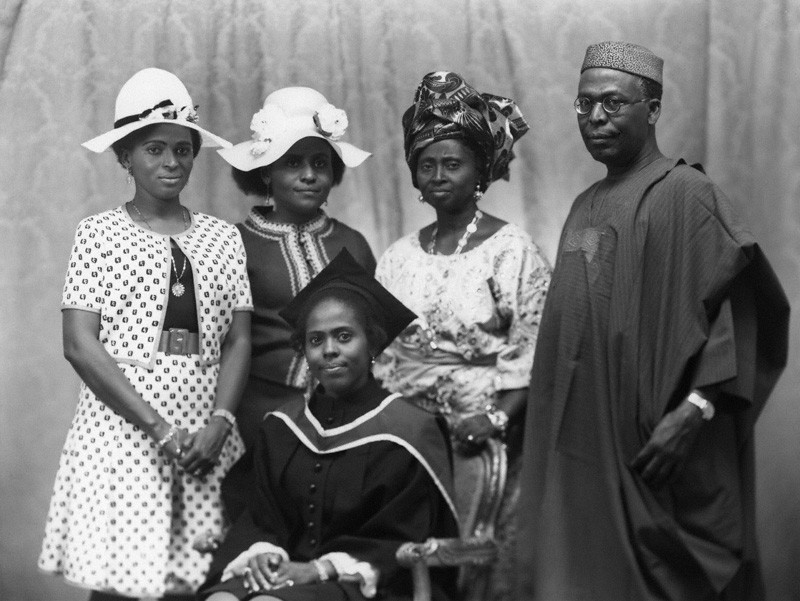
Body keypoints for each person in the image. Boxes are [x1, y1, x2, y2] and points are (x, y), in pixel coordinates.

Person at [516, 41, 790, 601]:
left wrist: (697, 408)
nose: (595, 118)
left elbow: (739, 311)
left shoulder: (689, 194)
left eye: (613, 104)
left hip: (656, 458)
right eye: (583, 104)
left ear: (654, 109)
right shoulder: (584, 204)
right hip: (586, 450)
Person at [38, 68, 253, 600]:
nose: (172, 162)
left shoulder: (223, 239)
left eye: (183, 150)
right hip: (124, 435)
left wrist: (221, 422)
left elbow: (239, 340)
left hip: (203, 435)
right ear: (124, 157)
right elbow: (79, 344)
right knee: (119, 584)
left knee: (196, 580)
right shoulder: (99, 235)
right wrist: (157, 428)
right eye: (155, 149)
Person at [373, 71, 551, 601]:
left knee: (482, 577)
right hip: (407, 442)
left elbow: (534, 350)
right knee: (408, 566)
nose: (438, 175)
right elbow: (381, 354)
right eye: (426, 165)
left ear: (480, 169)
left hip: (487, 438)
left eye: (452, 163)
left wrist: (493, 419)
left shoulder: (512, 250)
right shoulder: (398, 256)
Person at [198, 249, 459, 601]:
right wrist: (263, 551)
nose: (329, 350)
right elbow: (262, 516)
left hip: (365, 583)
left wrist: (321, 568)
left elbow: (403, 539)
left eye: (344, 336)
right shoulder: (283, 426)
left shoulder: (408, 431)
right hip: (287, 573)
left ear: (373, 344)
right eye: (316, 340)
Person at [216, 86, 376, 452]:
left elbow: (374, 337)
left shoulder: (352, 243)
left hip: (347, 413)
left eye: (320, 163)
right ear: (266, 172)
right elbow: (222, 343)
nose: (309, 175)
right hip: (260, 416)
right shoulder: (234, 243)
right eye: (292, 162)